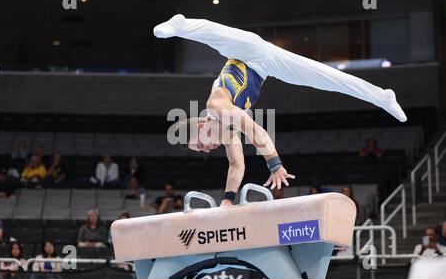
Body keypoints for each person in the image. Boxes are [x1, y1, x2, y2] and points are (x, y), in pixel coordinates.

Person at [158, 14, 407, 206]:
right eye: (200, 150)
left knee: (219, 38)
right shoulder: (226, 134)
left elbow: (258, 133)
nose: (205, 149)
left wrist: (275, 164)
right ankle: (382, 97)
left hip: (245, 51)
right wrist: (227, 200)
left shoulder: (216, 106)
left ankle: (182, 25)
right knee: (325, 78)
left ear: (201, 126)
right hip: (265, 66)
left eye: (200, 144)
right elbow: (236, 166)